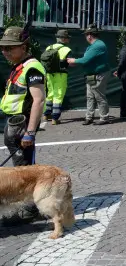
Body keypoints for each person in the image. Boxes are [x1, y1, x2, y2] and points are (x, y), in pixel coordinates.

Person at [0, 26, 47, 226]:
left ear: (24, 46)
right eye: (3, 48)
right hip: (13, 125)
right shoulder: (19, 65)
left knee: (25, 171)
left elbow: (38, 100)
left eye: (10, 48)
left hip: (23, 127)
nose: (5, 51)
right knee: (20, 169)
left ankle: (30, 210)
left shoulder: (32, 67)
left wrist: (30, 133)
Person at [67, 24, 111, 126]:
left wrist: (74, 60)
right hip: (91, 75)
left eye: (86, 35)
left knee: (99, 96)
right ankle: (89, 117)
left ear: (89, 35)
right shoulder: (92, 46)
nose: (86, 37)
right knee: (90, 96)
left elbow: (85, 60)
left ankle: (104, 117)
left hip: (99, 74)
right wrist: (76, 62)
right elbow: (86, 60)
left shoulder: (98, 45)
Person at [43, 29, 72, 125]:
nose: (68, 40)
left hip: (49, 74)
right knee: (58, 95)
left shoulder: (49, 48)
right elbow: (70, 63)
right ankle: (55, 118)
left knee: (50, 94)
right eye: (67, 38)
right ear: (63, 39)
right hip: (61, 74)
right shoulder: (66, 49)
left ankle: (46, 114)